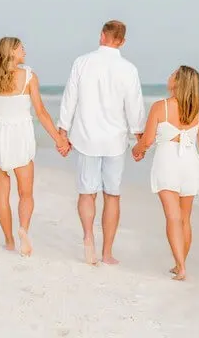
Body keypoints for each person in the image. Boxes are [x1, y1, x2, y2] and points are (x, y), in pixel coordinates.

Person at [0, 37, 70, 256]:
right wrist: (59, 140)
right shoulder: (29, 76)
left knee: (2, 194)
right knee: (26, 193)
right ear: (11, 51)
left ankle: (9, 241)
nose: (25, 52)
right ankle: (23, 230)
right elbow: (41, 112)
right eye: (21, 48)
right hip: (20, 137)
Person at [58, 20, 145, 265]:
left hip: (86, 136)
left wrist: (63, 129)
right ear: (123, 41)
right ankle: (107, 253)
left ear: (101, 36)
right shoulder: (128, 69)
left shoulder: (82, 62)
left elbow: (70, 97)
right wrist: (139, 134)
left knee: (87, 192)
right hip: (115, 140)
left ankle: (88, 238)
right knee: (112, 195)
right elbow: (134, 105)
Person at [131, 66, 199, 281]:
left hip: (168, 163)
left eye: (173, 74)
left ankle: (181, 266)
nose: (169, 76)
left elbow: (148, 140)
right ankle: (181, 265)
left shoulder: (161, 107)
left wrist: (136, 150)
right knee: (185, 218)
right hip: (191, 165)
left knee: (172, 217)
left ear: (177, 82)